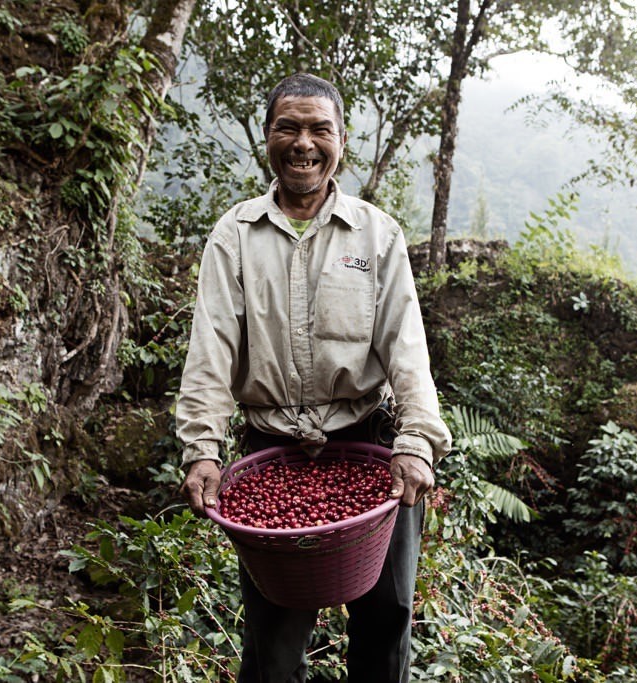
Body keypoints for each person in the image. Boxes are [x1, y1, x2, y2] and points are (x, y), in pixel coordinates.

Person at [177, 72, 452, 683]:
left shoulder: (377, 234)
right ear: (267, 139)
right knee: (273, 640)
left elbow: (407, 348)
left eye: (319, 129)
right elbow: (211, 350)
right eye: (288, 127)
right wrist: (202, 448)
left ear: (342, 141)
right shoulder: (235, 236)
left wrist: (415, 443)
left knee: (386, 618)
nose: (304, 143)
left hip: (370, 445)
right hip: (272, 450)